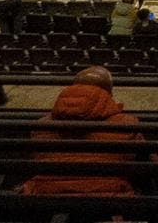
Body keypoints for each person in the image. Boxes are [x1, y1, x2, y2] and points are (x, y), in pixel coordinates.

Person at [21, 67, 143, 197]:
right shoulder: (126, 122)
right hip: (108, 200)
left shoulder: (42, 124)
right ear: (110, 93)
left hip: (48, 200)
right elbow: (145, 163)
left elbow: (36, 159)